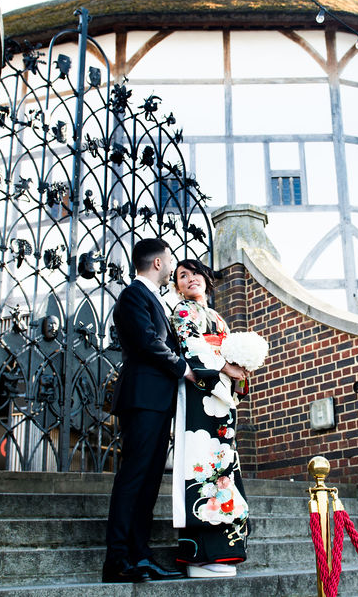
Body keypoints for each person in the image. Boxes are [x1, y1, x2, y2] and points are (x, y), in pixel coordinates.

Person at [102, 238, 187, 583]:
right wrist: (184, 368)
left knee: (150, 480)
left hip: (157, 400)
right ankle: (118, 560)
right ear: (157, 262)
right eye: (170, 261)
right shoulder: (133, 295)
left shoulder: (153, 297)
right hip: (142, 397)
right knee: (134, 477)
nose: (172, 267)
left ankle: (141, 556)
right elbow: (148, 341)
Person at [169, 258, 251, 578]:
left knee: (225, 468)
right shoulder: (183, 312)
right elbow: (189, 346)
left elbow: (231, 355)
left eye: (194, 273)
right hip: (199, 397)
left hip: (222, 401)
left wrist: (240, 372)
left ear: (206, 278)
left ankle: (225, 551)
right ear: (177, 286)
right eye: (182, 276)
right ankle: (200, 555)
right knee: (202, 467)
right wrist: (225, 366)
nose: (190, 279)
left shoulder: (218, 318)